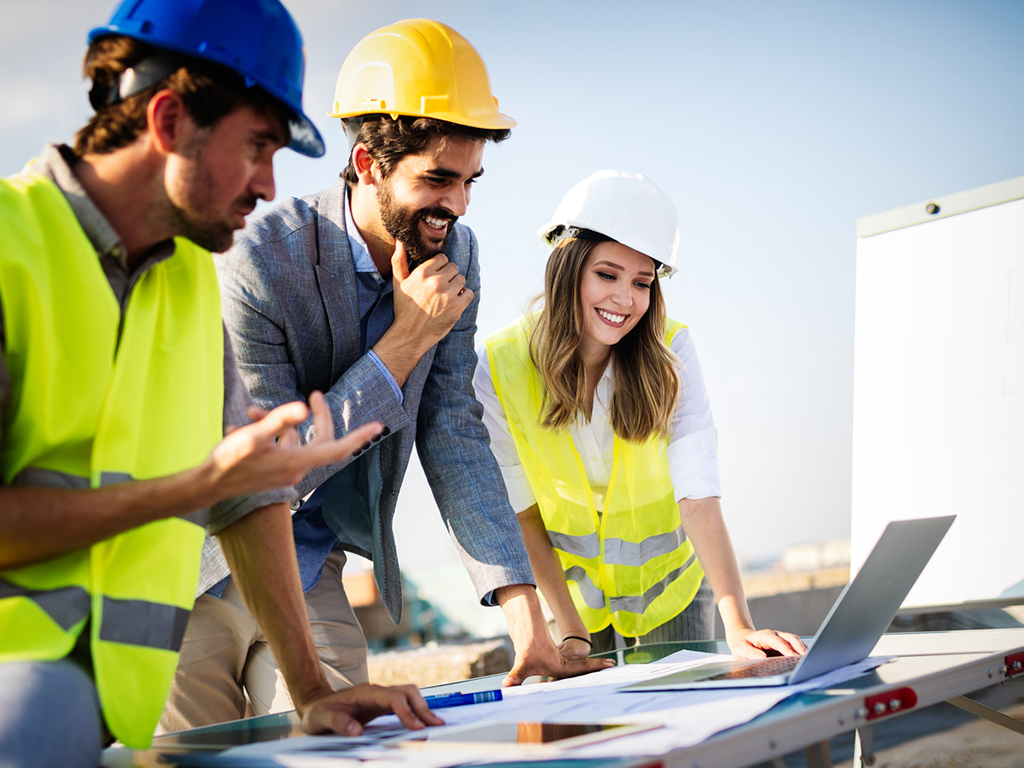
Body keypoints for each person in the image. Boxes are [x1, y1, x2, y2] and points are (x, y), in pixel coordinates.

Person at [0, 3, 446, 766]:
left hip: (111, 706)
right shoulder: (10, 247)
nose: (271, 186)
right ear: (170, 120)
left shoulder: (186, 283)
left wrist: (311, 691)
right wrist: (188, 488)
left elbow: (245, 493)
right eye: (258, 147)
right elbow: (213, 485)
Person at [161, 18, 611, 733]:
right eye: (438, 178)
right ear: (369, 164)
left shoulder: (456, 252)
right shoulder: (259, 258)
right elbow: (271, 471)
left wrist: (529, 620)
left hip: (311, 568)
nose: (459, 205)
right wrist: (403, 342)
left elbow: (453, 432)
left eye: (470, 181)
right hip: (196, 565)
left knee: (347, 748)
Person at [475, 170, 808, 659]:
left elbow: (697, 493)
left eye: (642, 282)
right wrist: (569, 630)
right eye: (606, 275)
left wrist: (738, 626)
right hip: (569, 600)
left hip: (669, 593)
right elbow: (522, 515)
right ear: (567, 269)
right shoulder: (498, 367)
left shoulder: (672, 349)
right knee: (588, 735)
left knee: (684, 731)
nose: (625, 300)